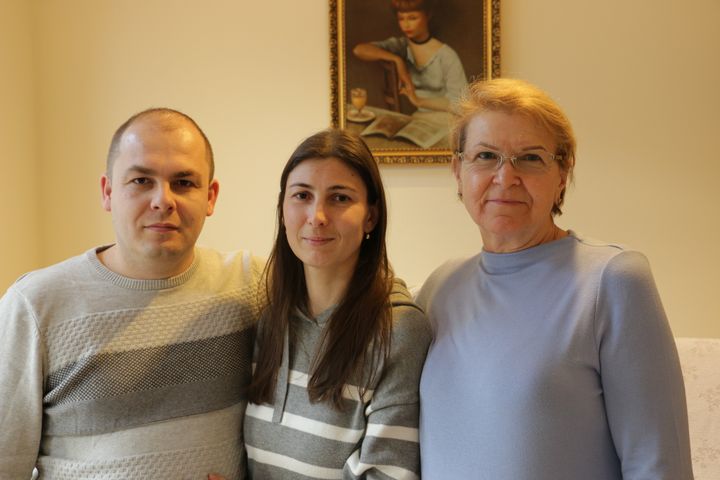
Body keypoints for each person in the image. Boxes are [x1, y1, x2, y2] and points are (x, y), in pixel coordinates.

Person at [417, 78, 694, 479]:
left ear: (562, 174)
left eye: (530, 158)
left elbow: (657, 465)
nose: (505, 177)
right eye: (486, 155)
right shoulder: (439, 288)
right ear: (458, 170)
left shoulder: (613, 281)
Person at [0, 108, 263, 479]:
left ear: (211, 196)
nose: (163, 200)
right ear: (108, 192)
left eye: (184, 182)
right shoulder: (35, 304)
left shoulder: (252, 285)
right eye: (141, 181)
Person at [243, 129, 431, 479]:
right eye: (302, 195)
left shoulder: (398, 329)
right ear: (282, 209)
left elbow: (386, 475)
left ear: (371, 216)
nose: (317, 216)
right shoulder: (268, 313)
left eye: (340, 198)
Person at [353, 0, 467, 113]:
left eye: (413, 18)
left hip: (447, 119)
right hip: (420, 117)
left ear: (427, 16)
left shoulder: (446, 55)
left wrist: (419, 101)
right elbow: (359, 50)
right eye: (401, 19)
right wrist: (396, 60)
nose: (406, 25)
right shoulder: (401, 46)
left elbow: (461, 104)